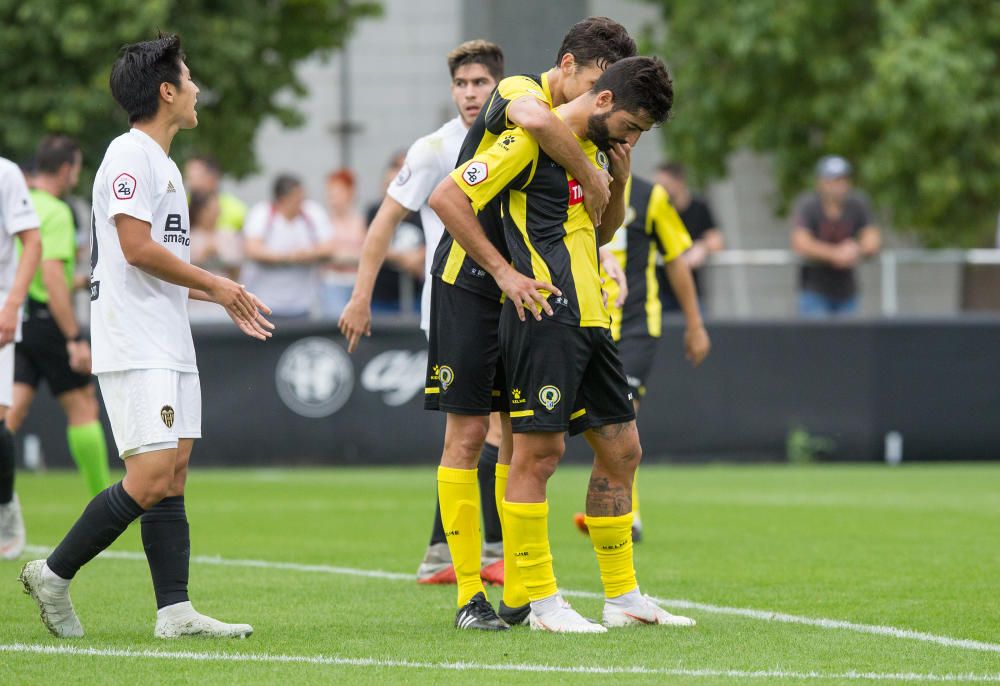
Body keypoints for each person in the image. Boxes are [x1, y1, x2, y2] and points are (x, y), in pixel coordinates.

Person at [19, 33, 273, 639]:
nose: (197, 88)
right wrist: (218, 284)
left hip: (166, 336)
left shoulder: (162, 162)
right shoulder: (128, 154)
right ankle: (53, 572)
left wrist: (214, 292)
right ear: (167, 91)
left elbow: (158, 261)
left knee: (174, 472)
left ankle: (175, 611)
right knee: (152, 475)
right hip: (135, 341)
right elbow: (135, 249)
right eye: (189, 77)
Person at [430, 55, 695, 633]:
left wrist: (618, 176)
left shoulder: (596, 155)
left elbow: (602, 229)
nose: (631, 138)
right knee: (537, 455)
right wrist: (505, 273)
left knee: (623, 449)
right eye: (631, 126)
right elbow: (447, 197)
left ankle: (622, 596)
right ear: (603, 100)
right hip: (545, 317)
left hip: (594, 320)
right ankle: (542, 603)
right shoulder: (526, 140)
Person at [340, 39, 507, 591]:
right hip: (455, 305)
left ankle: (451, 549)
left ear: (497, 86)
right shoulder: (436, 148)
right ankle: (484, 548)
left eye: (479, 83)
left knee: (502, 428)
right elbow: (385, 222)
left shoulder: (518, 136)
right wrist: (361, 296)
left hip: (509, 301)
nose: (468, 93)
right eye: (461, 84)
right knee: (477, 430)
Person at [572, 175, 711, 541]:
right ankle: (606, 502)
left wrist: (695, 325)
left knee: (622, 414)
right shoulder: (570, 178)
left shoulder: (652, 196)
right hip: (581, 320)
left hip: (635, 325)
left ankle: (626, 513)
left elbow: (677, 259)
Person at [6, 136, 111, 504]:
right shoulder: (55, 210)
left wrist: (81, 281)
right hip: (49, 321)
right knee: (83, 404)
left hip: (18, 319)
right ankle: (105, 503)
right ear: (67, 169)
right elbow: (51, 278)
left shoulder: (22, 203)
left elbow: (40, 272)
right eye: (77, 168)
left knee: (11, 411)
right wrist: (74, 337)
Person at [0, 155, 43, 561]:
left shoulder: (6, 173)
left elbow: (32, 241)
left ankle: (5, 503)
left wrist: (13, 304)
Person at [791, 155, 881, 316]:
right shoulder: (809, 205)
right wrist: (835, 254)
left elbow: (873, 240)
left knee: (847, 340)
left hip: (847, 292)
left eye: (842, 180)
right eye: (833, 180)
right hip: (814, 291)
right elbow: (801, 243)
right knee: (817, 340)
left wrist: (856, 249)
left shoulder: (858, 204)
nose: (839, 186)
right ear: (820, 182)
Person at [242, 174, 333, 320]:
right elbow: (251, 249)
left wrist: (306, 254)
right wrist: (289, 257)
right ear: (283, 199)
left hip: (303, 306)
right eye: (297, 197)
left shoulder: (312, 212)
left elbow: (329, 247)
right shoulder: (261, 213)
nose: (301, 201)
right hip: (264, 306)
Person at [654, 162, 724, 311]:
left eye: (665, 185)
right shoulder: (656, 209)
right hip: (660, 293)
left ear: (679, 182)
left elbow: (717, 240)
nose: (659, 191)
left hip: (691, 291)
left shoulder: (699, 207)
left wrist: (702, 247)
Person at [363, 153, 424, 315]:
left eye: (405, 168)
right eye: (396, 167)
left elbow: (435, 241)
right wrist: (402, 258)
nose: (400, 173)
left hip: (416, 295)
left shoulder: (423, 210)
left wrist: (420, 256)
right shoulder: (375, 210)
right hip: (382, 295)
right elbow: (369, 243)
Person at [319, 169, 366, 318]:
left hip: (356, 284)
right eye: (330, 193)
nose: (332, 198)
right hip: (331, 282)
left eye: (337, 193)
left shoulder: (360, 222)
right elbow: (323, 253)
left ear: (350, 192)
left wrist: (339, 256)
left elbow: (366, 254)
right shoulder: (323, 222)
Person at [183, 154, 247, 233]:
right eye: (188, 177)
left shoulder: (237, 210)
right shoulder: (181, 205)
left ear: (213, 177)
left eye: (197, 177)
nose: (191, 183)